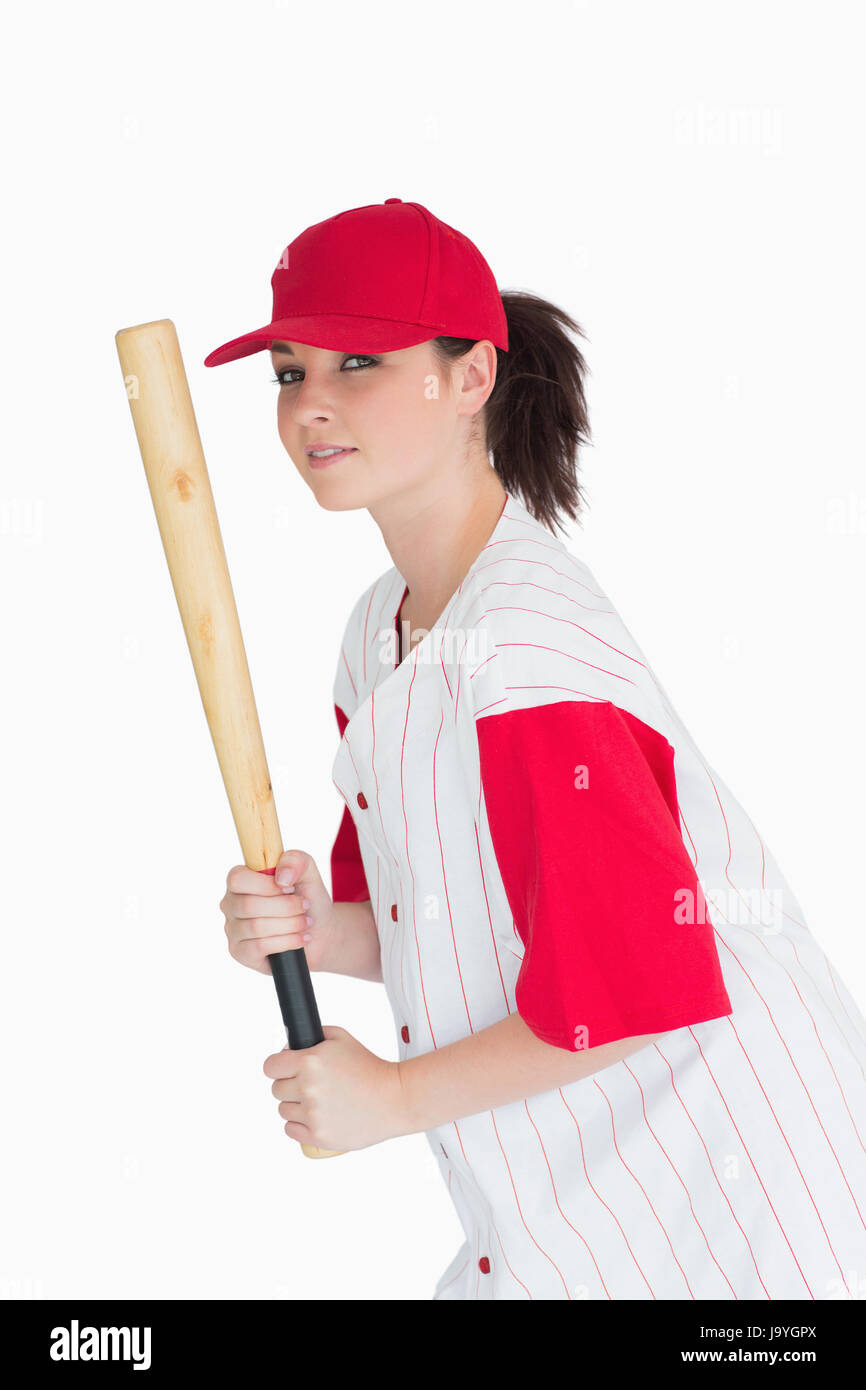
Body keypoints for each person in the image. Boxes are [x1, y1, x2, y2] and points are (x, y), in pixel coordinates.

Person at [210, 198, 866, 1300]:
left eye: (358, 361)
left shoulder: (520, 641)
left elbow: (637, 982)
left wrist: (396, 1096)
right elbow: (434, 928)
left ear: (471, 377)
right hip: (566, 1184)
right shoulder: (381, 632)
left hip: (735, 1182)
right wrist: (313, 931)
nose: (309, 407)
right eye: (288, 372)